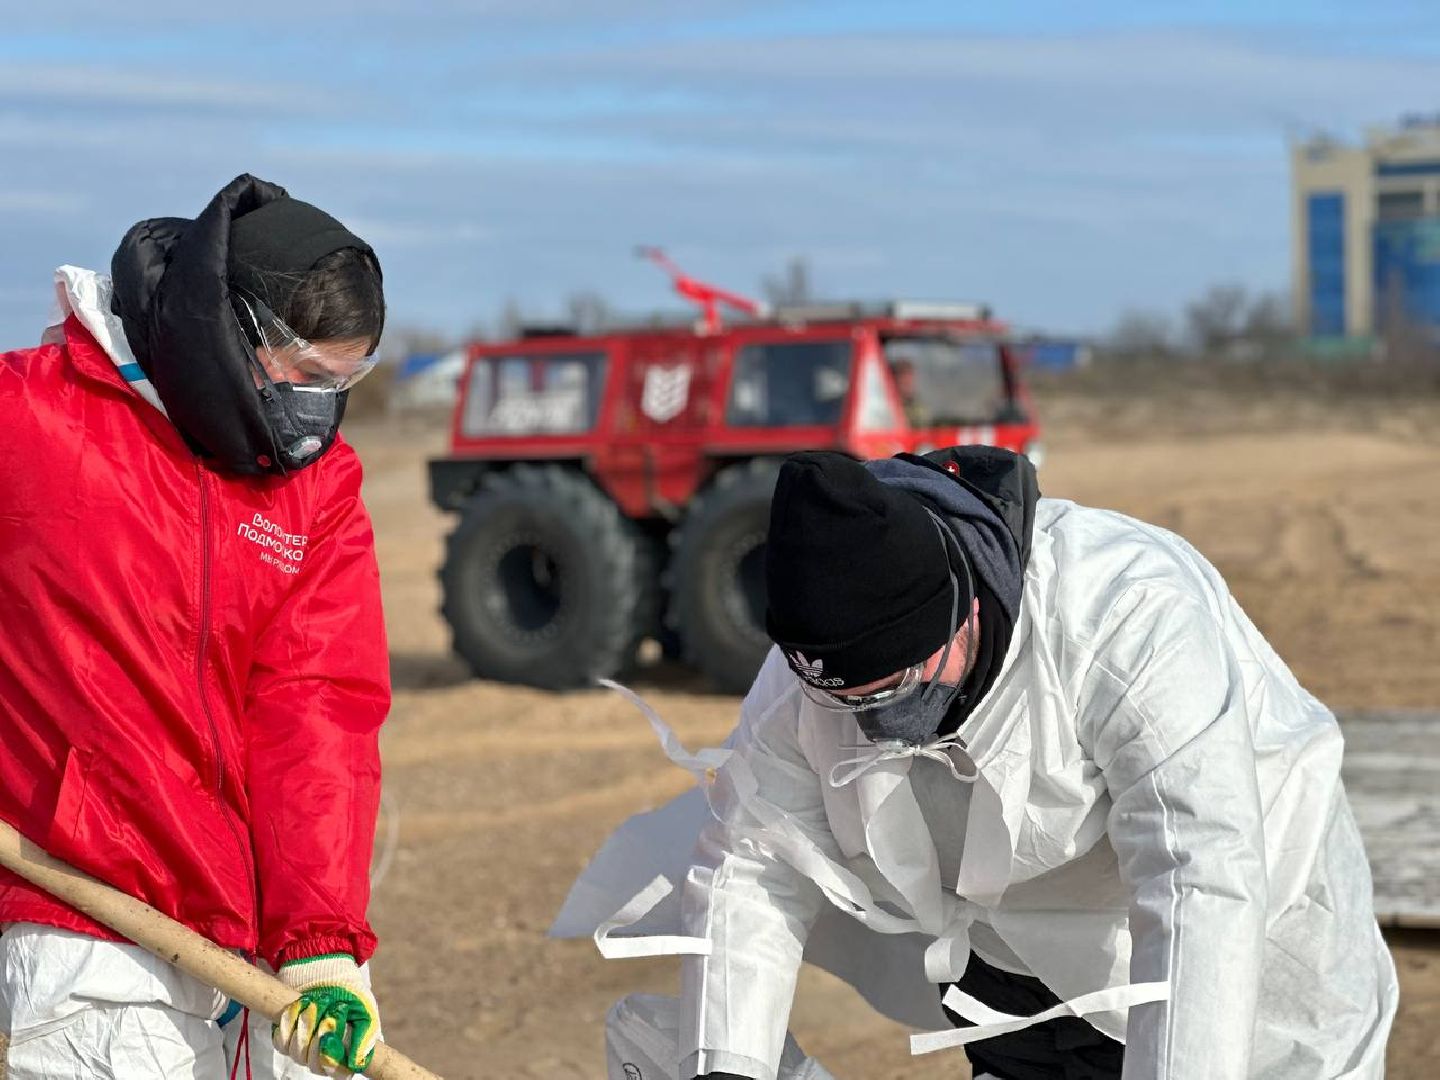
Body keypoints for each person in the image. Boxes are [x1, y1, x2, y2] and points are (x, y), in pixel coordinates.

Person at [558, 445, 1398, 1080]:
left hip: (1254, 941)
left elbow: (1197, 880)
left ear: (960, 611)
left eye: (904, 683)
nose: (885, 719)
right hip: (1012, 950)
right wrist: (727, 1067)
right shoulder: (807, 681)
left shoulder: (1126, 616)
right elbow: (753, 867)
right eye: (857, 700)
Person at [0, 174, 391, 1079]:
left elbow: (316, 706)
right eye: (305, 374)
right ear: (232, 326)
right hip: (78, 923)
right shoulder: (31, 420)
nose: (317, 409)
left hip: (253, 944)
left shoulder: (317, 488)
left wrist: (322, 938)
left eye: (345, 382)